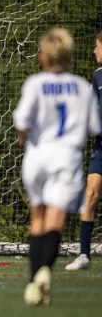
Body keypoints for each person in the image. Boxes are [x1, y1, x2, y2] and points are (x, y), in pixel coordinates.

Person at [13, 27, 101, 306]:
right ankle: (44, 272)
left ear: (43, 57)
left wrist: (25, 140)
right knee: (55, 220)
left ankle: (31, 283)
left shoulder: (35, 84)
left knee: (36, 217)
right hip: (67, 158)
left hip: (38, 156)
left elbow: (22, 124)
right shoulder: (82, 87)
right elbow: (94, 127)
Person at [65, 32, 102, 271]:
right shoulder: (97, 76)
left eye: (97, 46)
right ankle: (84, 255)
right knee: (90, 195)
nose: (94, 51)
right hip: (101, 147)